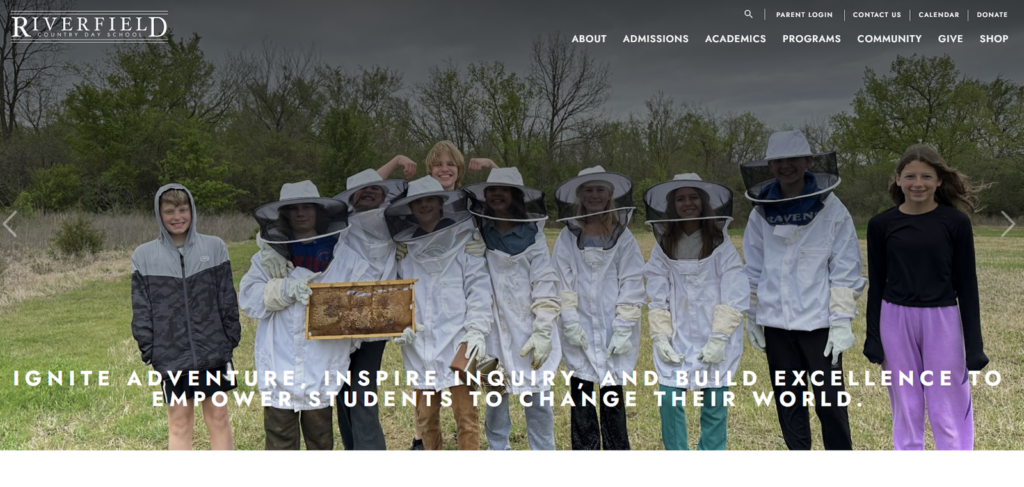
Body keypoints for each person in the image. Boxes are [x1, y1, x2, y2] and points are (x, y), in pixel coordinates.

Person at [260, 170, 407, 450]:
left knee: (362, 395)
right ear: (351, 198)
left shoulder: (392, 224)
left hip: (370, 324)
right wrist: (267, 248)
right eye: (362, 191)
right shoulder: (341, 228)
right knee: (338, 392)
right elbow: (275, 235)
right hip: (326, 331)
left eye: (374, 190)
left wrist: (399, 322)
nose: (301, 214)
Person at [741, 130, 865, 450]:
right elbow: (754, 267)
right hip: (777, 326)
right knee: (789, 403)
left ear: (808, 161)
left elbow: (846, 266)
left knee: (831, 404)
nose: (786, 166)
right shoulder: (760, 211)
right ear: (770, 166)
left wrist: (841, 320)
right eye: (779, 160)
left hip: (819, 326)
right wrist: (752, 315)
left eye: (793, 159)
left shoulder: (832, 208)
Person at [865, 144, 988, 450]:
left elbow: (967, 285)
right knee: (906, 403)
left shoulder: (955, 223)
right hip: (895, 320)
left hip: (942, 319)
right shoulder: (880, 225)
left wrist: (975, 345)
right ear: (898, 179)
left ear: (939, 180)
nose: (917, 183)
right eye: (910, 176)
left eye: (926, 176)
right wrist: (873, 337)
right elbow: (876, 284)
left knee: (947, 402)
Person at [240, 180, 374, 450]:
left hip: (321, 362)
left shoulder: (343, 255)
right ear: (285, 215)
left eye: (307, 207)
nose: (300, 213)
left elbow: (365, 299)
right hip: (279, 360)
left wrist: (390, 325)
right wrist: (283, 289)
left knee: (320, 441)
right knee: (280, 443)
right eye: (293, 208)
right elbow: (248, 298)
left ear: (318, 211)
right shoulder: (269, 257)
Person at [377, 142, 490, 449]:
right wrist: (400, 323)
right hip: (420, 343)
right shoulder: (404, 247)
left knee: (466, 417)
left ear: (443, 204)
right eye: (418, 202)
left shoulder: (464, 236)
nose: (425, 206)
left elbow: (478, 287)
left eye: (431, 200)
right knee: (426, 419)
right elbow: (395, 292)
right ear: (410, 208)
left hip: (458, 339)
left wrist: (476, 330)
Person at [130, 184, 240, 450]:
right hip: (171, 354)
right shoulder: (143, 256)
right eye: (169, 211)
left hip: (213, 350)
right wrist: (150, 348)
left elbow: (227, 297)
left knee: (218, 417)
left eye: (182, 209)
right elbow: (141, 307)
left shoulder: (215, 247)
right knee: (179, 422)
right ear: (159, 214)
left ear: (192, 210)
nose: (177, 217)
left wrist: (229, 338)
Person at [643, 174, 748, 450]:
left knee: (715, 401)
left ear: (703, 202)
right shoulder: (663, 244)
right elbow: (657, 291)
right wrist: (660, 336)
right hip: (677, 332)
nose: (687, 203)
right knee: (669, 398)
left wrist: (719, 337)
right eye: (680, 198)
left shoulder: (721, 243)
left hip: (713, 332)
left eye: (693, 197)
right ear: (672, 205)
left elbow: (735, 289)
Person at [464, 167, 560, 450]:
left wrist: (543, 329)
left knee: (538, 399)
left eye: (504, 190)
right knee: (495, 399)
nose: (497, 195)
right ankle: (498, 451)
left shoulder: (534, 235)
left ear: (515, 195)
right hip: (492, 328)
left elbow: (544, 283)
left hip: (529, 328)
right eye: (492, 190)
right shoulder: (479, 234)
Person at [552, 166, 645, 450]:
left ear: (610, 194)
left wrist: (623, 326)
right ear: (580, 195)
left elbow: (632, 281)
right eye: (589, 190)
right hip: (578, 327)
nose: (594, 195)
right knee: (581, 397)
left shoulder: (624, 237)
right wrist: (570, 321)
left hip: (612, 328)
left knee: (612, 398)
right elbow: (562, 281)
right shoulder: (567, 237)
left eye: (600, 190)